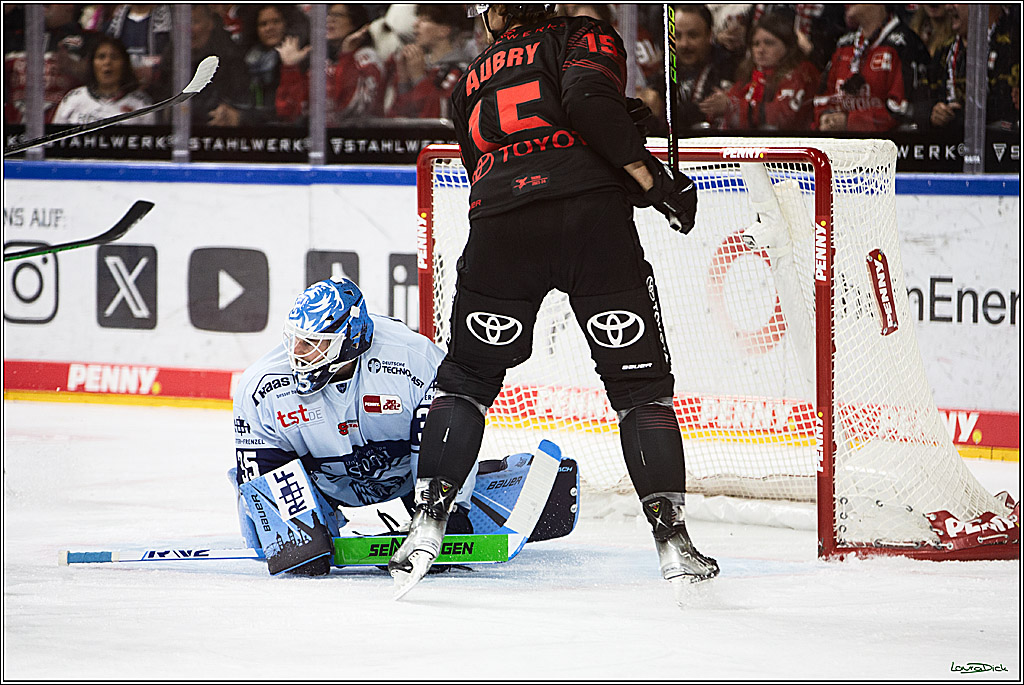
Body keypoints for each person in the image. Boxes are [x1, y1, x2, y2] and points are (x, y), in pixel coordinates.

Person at [387, 3, 718, 592]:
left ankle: (428, 519)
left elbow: (487, 164)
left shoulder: (473, 74)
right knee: (640, 390)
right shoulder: (581, 34)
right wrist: (653, 181)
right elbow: (589, 104)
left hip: (501, 228)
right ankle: (673, 540)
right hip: (591, 223)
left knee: (465, 381)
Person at [231, 278, 478, 576]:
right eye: (295, 338)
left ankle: (461, 496)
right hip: (321, 483)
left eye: (312, 342)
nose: (297, 351)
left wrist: (444, 506)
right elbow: (263, 473)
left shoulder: (415, 358)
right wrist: (286, 526)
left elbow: (452, 425)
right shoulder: (261, 387)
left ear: (350, 338)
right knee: (298, 556)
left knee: (452, 531)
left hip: (405, 476)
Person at [813, 3, 930, 132]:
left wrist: (850, 122)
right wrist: (825, 116)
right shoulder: (844, 44)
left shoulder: (904, 44)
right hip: (845, 145)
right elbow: (822, 96)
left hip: (890, 146)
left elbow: (902, 108)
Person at [699, 12, 819, 131]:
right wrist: (716, 105)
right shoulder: (752, 74)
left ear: (788, 46)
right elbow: (730, 101)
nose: (760, 50)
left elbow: (781, 118)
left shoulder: (802, 72)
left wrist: (732, 107)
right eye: (756, 44)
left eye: (769, 43)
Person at [275, 4, 383, 125]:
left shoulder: (367, 59)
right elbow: (290, 112)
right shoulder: (322, 61)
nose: (329, 19)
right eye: (328, 14)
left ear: (355, 22)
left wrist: (347, 56)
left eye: (338, 15)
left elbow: (347, 109)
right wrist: (290, 68)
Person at [926, 4, 1019, 133]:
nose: (947, 6)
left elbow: (1007, 105)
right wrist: (934, 113)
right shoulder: (944, 51)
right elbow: (922, 101)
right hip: (952, 147)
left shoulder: (1014, 44)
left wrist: (959, 117)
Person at [153, 4, 250, 126]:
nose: (189, 29)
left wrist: (234, 114)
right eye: (184, 23)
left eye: (195, 22)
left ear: (210, 24)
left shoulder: (230, 57)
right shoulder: (170, 57)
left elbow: (243, 103)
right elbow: (160, 98)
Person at [382, 4, 474, 118]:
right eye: (418, 18)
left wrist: (419, 78)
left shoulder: (462, 71)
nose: (415, 24)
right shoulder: (419, 64)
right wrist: (403, 79)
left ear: (444, 30)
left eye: (424, 20)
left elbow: (441, 116)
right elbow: (397, 116)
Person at [52, 35, 157, 125]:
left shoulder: (142, 104)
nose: (107, 62)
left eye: (114, 57)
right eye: (101, 57)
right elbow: (54, 142)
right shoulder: (73, 99)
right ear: (92, 63)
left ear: (124, 64)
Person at [673, 4, 739, 130]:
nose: (684, 44)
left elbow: (703, 111)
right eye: (677, 36)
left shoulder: (728, 67)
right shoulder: (666, 67)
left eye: (692, 35)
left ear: (709, 35)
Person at [240, 4, 307, 125]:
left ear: (287, 23)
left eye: (276, 22)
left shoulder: (301, 57)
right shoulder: (246, 60)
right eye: (263, 24)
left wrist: (290, 66)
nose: (269, 28)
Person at [103, 4, 172, 94]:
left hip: (159, 92)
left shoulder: (171, 21)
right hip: (121, 91)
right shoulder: (113, 24)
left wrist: (156, 70)